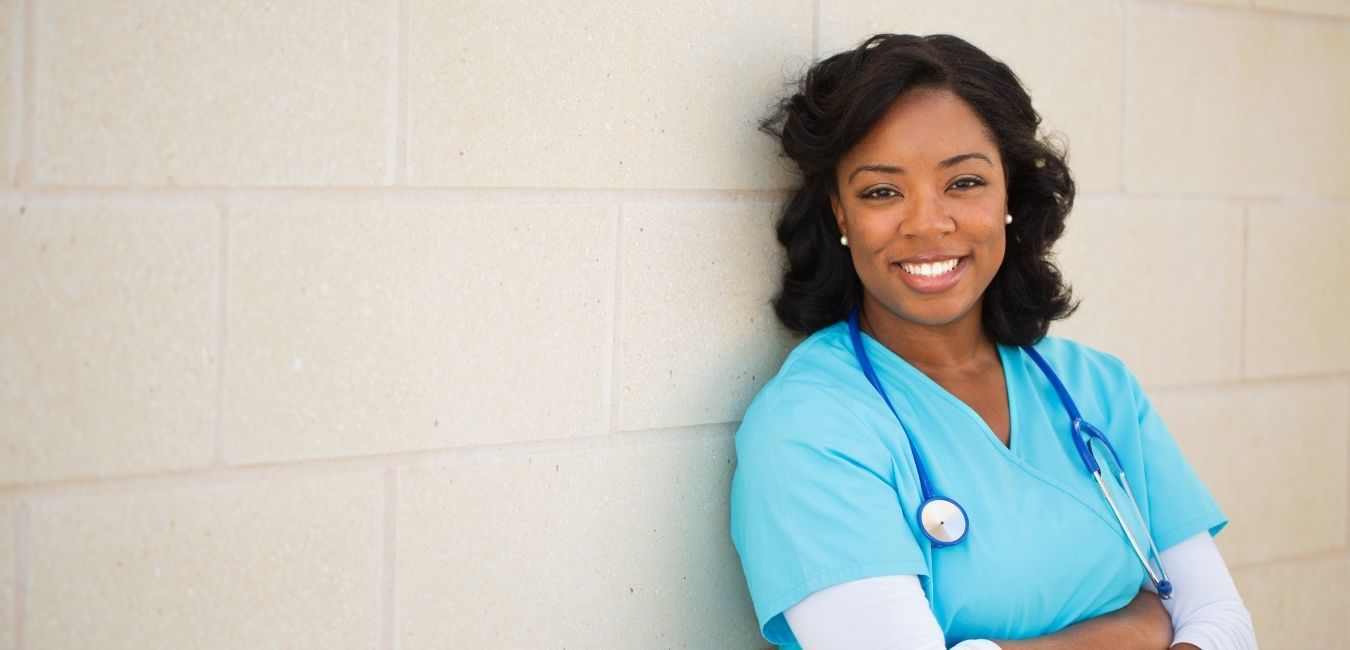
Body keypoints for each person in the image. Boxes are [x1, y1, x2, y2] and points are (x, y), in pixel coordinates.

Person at [729, 34, 1257, 650]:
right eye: (881, 191)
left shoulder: (1096, 389)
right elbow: (1190, 623)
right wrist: (1142, 630)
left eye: (965, 183)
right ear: (840, 214)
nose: (928, 223)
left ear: (1009, 192)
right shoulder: (809, 428)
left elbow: (1226, 625)